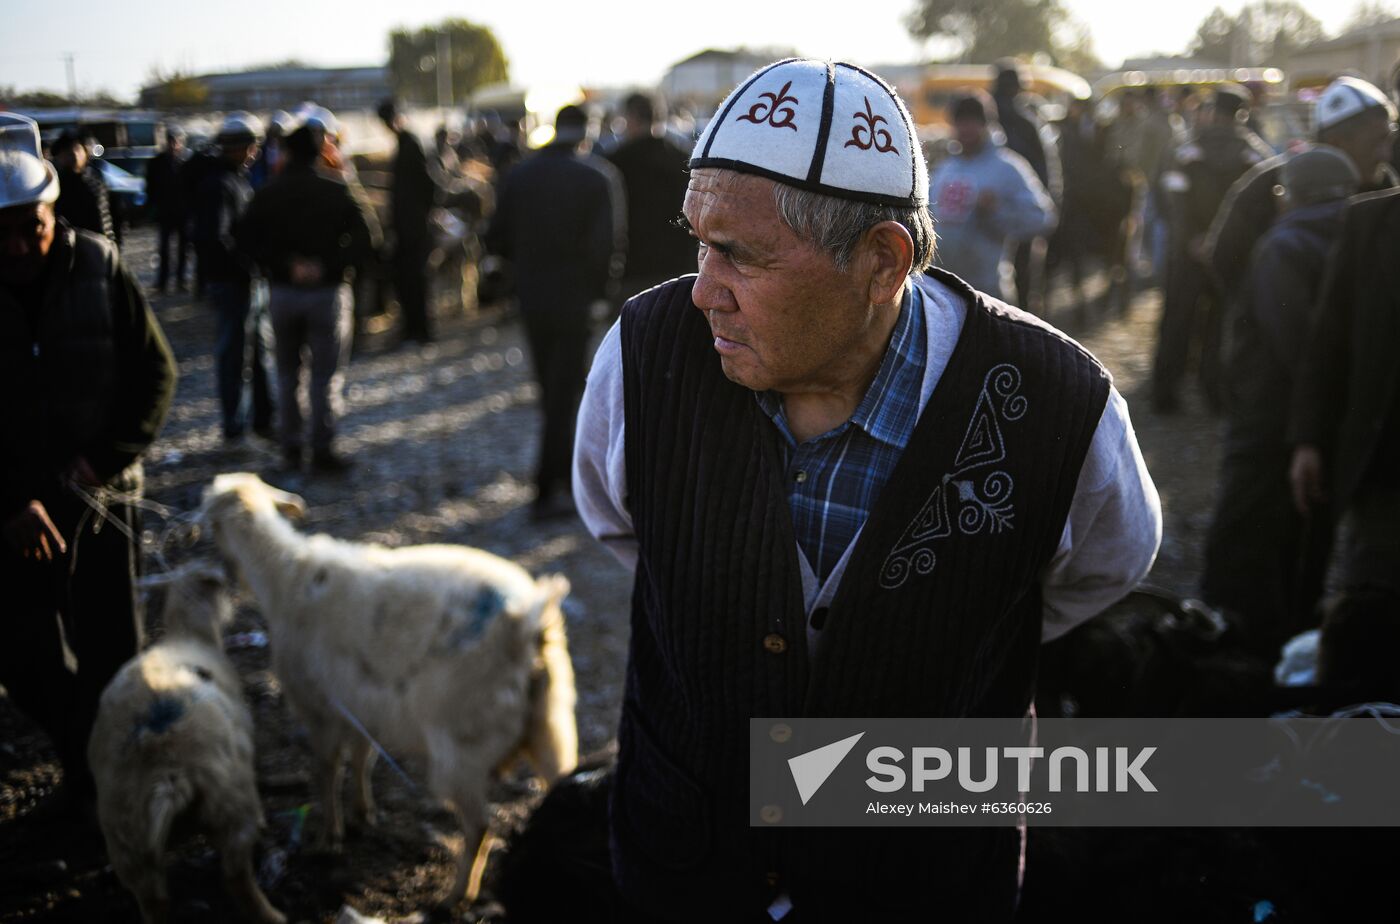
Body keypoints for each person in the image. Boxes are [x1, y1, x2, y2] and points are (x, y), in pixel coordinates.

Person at [573, 58, 1160, 921]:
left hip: (924, 881)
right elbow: (628, 532)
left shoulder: (1058, 403)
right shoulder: (644, 354)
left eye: (740, 255)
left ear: (882, 262)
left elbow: (1106, 567)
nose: (703, 291)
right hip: (687, 863)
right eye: (699, 241)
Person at [0, 113, 177, 813]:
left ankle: (106, 790)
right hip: (16, 516)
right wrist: (10, 502)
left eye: (28, 227)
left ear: (52, 210)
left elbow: (155, 375)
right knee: (22, 655)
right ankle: (86, 755)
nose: (15, 245)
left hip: (101, 500)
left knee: (111, 652)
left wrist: (100, 462)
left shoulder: (100, 267)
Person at [1200, 146, 1360, 658]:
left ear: (1290, 195)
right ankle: (1289, 633)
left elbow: (1294, 343)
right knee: (1304, 531)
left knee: (1242, 531)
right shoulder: (1359, 241)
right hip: (1324, 421)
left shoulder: (1285, 245)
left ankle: (1232, 643)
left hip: (1270, 417)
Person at [487, 105, 624, 521]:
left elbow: (496, 237)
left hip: (532, 297)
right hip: (575, 299)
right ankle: (553, 487)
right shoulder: (597, 177)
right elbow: (607, 246)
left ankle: (559, 480)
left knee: (551, 392)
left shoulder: (520, 175)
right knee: (565, 396)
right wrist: (602, 294)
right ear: (587, 131)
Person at [237, 124, 380, 473]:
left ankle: (291, 448)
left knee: (286, 375)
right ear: (320, 152)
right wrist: (327, 265)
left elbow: (243, 239)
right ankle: (322, 449)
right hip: (326, 293)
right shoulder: (336, 190)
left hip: (283, 294)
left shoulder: (267, 193)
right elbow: (368, 238)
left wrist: (285, 265)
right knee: (324, 376)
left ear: (286, 152)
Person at [1205, 76, 1397, 315]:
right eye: (1376, 142)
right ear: (1335, 142)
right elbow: (1225, 260)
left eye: (1388, 140)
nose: (1386, 154)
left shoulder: (1386, 188)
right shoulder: (1265, 186)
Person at [1290, 185, 1400, 596]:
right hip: (1386, 472)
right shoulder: (1369, 222)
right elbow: (1327, 342)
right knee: (1372, 607)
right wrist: (1308, 440)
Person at [1151, 84, 1274, 413]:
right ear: (1241, 115)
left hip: (1187, 252)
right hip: (1231, 255)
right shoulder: (1257, 154)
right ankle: (1215, 393)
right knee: (1220, 325)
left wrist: (1191, 239)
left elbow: (1173, 201)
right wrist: (1225, 243)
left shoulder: (1185, 150)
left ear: (1212, 113)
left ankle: (1165, 392)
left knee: (1177, 319)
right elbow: (1262, 208)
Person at [192, 111, 275, 442]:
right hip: (233, 284)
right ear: (239, 147)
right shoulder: (219, 185)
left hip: (245, 280)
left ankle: (261, 419)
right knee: (234, 355)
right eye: (251, 146)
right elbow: (216, 238)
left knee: (255, 353)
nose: (254, 152)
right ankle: (234, 426)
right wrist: (246, 267)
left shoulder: (234, 179)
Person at [927, 91, 1056, 301]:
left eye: (972, 122)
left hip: (987, 293)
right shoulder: (945, 169)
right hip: (942, 293)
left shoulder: (1007, 167)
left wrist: (997, 210)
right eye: (959, 122)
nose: (965, 129)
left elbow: (1043, 217)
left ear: (987, 125)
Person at [603, 91, 695, 301]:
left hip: (632, 268)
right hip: (677, 267)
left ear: (630, 117)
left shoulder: (615, 162)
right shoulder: (683, 158)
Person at [992, 60, 1062, 313]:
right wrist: (1048, 207)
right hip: (1018, 210)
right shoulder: (1027, 121)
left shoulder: (992, 118)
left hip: (993, 210)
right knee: (1023, 278)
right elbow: (1047, 170)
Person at [377, 98, 443, 345]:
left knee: (415, 280)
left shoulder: (411, 144)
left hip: (414, 228)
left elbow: (429, 185)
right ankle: (413, 328)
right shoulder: (405, 143)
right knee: (407, 279)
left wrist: (420, 216)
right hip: (407, 227)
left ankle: (421, 330)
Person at [51, 131, 118, 247]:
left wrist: (114, 244)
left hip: (104, 245)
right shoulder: (55, 186)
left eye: (77, 149)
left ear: (85, 152)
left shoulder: (97, 181)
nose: (73, 154)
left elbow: (114, 215)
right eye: (67, 150)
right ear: (59, 156)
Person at [146, 125, 189, 292]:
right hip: (165, 212)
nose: (174, 145)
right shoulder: (156, 162)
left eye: (176, 141)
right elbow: (150, 187)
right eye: (171, 141)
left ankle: (181, 280)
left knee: (183, 249)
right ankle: (163, 282)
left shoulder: (185, 162)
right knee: (164, 248)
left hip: (182, 212)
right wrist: (152, 208)